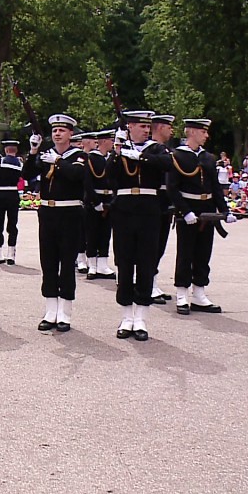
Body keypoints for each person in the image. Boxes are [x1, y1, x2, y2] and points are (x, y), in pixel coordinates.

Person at [109, 110, 173, 341]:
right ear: (130, 128)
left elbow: (167, 164)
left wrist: (140, 157)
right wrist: (117, 152)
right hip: (124, 210)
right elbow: (108, 175)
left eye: (148, 126)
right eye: (141, 126)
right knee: (124, 263)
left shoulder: (156, 149)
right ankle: (127, 317)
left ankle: (141, 319)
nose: (146, 130)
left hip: (149, 210)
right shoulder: (120, 150)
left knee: (146, 263)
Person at [23, 115, 88, 332]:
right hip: (48, 212)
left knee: (67, 263)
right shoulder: (46, 154)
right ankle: (51, 310)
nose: (57, 134)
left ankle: (65, 313)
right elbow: (27, 174)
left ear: (71, 134)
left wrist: (58, 162)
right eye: (54, 130)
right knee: (48, 261)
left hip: (69, 212)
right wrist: (33, 151)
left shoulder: (79, 156)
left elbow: (77, 175)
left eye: (62, 130)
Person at [166, 119, 236, 315]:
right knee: (185, 253)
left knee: (203, 253)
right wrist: (185, 211)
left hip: (207, 209)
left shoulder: (208, 158)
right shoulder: (177, 156)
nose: (206, 136)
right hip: (188, 208)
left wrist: (225, 211)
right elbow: (172, 188)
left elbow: (216, 188)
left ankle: (199, 293)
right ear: (192, 132)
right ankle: (182, 293)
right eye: (203, 132)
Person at [149, 114, 175, 303]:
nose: (171, 131)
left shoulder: (165, 151)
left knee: (159, 246)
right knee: (150, 246)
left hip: (164, 203)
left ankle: (152, 282)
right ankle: (146, 284)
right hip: (153, 202)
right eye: (168, 127)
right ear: (159, 128)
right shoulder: (150, 151)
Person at [85, 129, 116, 280]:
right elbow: (87, 183)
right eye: (111, 141)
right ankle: (92, 265)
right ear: (103, 141)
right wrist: (95, 202)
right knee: (92, 232)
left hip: (109, 199)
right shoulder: (91, 158)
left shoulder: (111, 159)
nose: (113, 143)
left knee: (105, 233)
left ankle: (103, 264)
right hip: (94, 199)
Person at [0, 133, 23, 265]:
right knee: (12, 224)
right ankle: (11, 254)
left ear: (5, 149)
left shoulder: (0, 161)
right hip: (13, 194)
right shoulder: (20, 163)